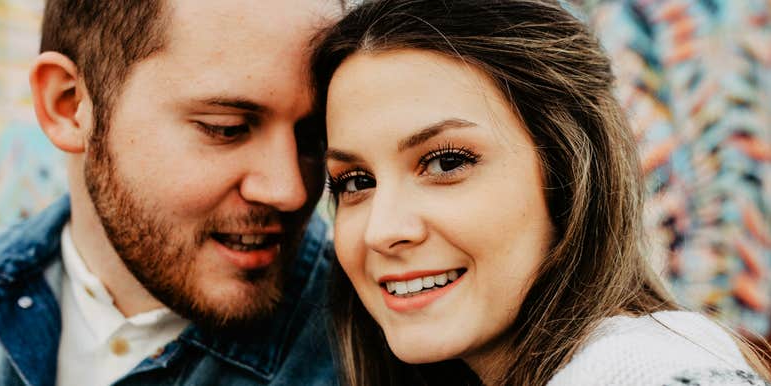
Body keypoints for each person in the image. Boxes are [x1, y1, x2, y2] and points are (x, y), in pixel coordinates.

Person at [311, 0, 771, 385]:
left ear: (569, 172)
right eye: (356, 182)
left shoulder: (646, 368)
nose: (383, 230)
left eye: (446, 162)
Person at [0, 1, 341, 385]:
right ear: (69, 104)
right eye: (226, 128)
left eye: (313, 137)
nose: (289, 190)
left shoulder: (370, 357)